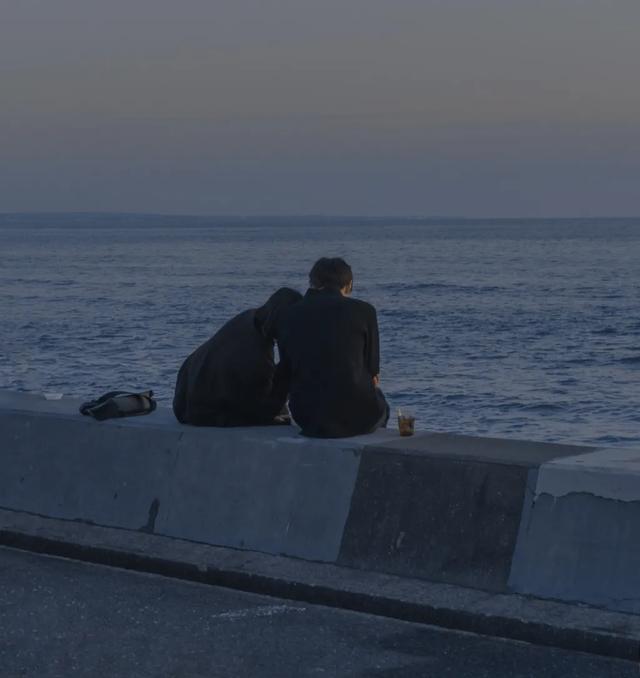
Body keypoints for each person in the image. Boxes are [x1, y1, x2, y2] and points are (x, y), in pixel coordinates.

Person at [278, 257, 389, 438]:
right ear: (349, 284)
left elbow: (286, 370)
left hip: (307, 417)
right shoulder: (365, 311)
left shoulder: (289, 314)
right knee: (382, 403)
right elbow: (373, 375)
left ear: (313, 282)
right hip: (358, 418)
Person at [173, 287, 302, 426]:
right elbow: (263, 411)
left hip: (184, 403)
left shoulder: (247, 318)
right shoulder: (257, 356)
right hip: (204, 414)